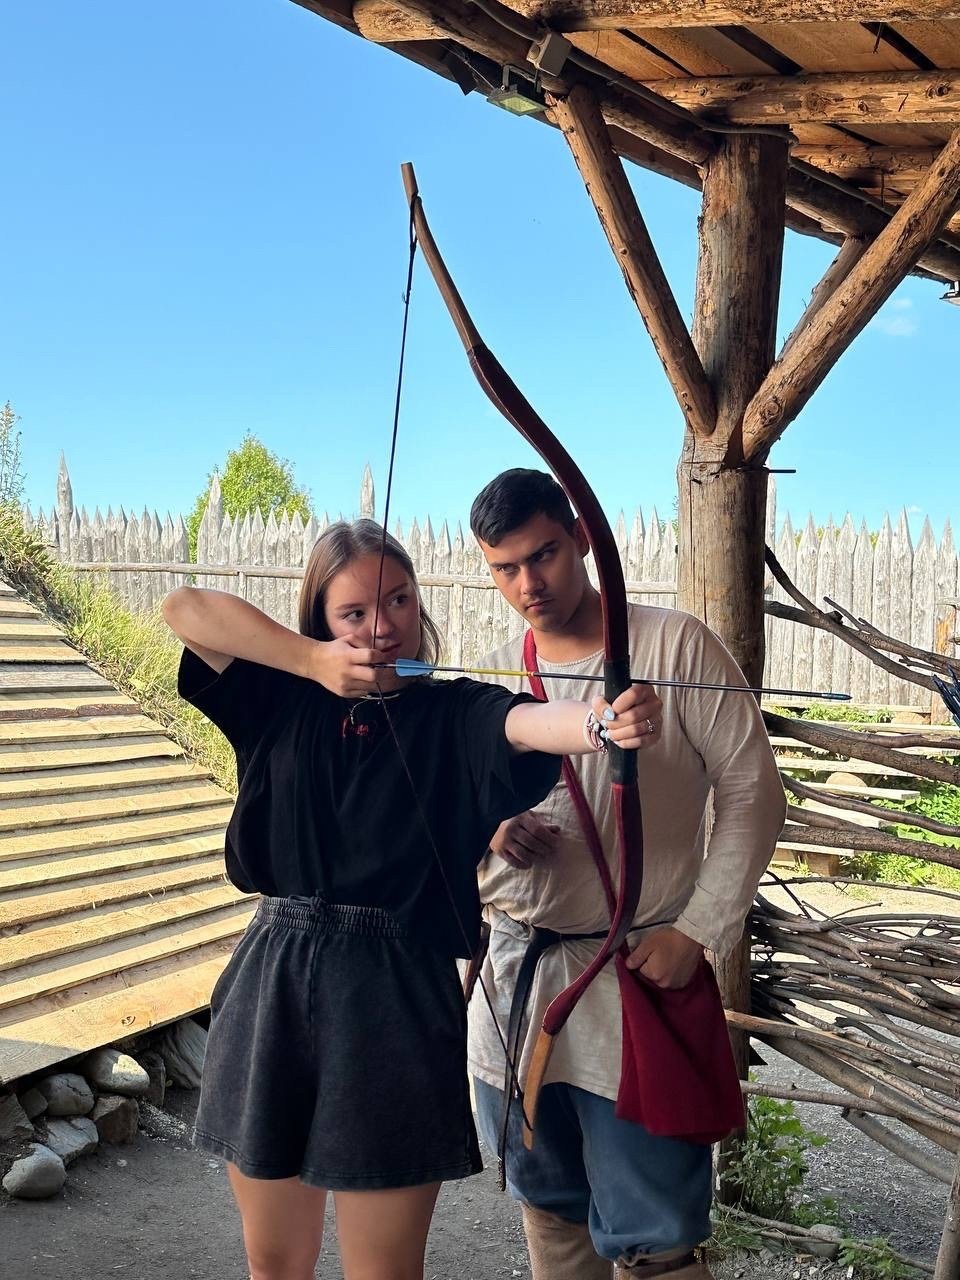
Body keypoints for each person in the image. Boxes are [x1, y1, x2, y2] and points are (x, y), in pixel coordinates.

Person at [161, 517, 663, 1280]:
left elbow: (529, 722)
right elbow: (184, 609)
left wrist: (600, 722)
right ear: (320, 617)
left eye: (397, 600)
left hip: (395, 991)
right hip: (274, 980)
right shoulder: (279, 696)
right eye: (353, 611)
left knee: (386, 1271)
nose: (381, 625)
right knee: (274, 1262)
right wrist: (312, 662)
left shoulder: (451, 712)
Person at [466, 470, 787, 1280]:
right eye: (506, 568)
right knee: (550, 1210)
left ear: (582, 537)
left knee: (655, 1241)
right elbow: (439, 816)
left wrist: (696, 932)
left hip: (632, 983)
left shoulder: (676, 647)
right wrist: (489, 826)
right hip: (519, 985)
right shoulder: (493, 678)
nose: (529, 584)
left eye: (544, 554)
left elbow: (753, 795)